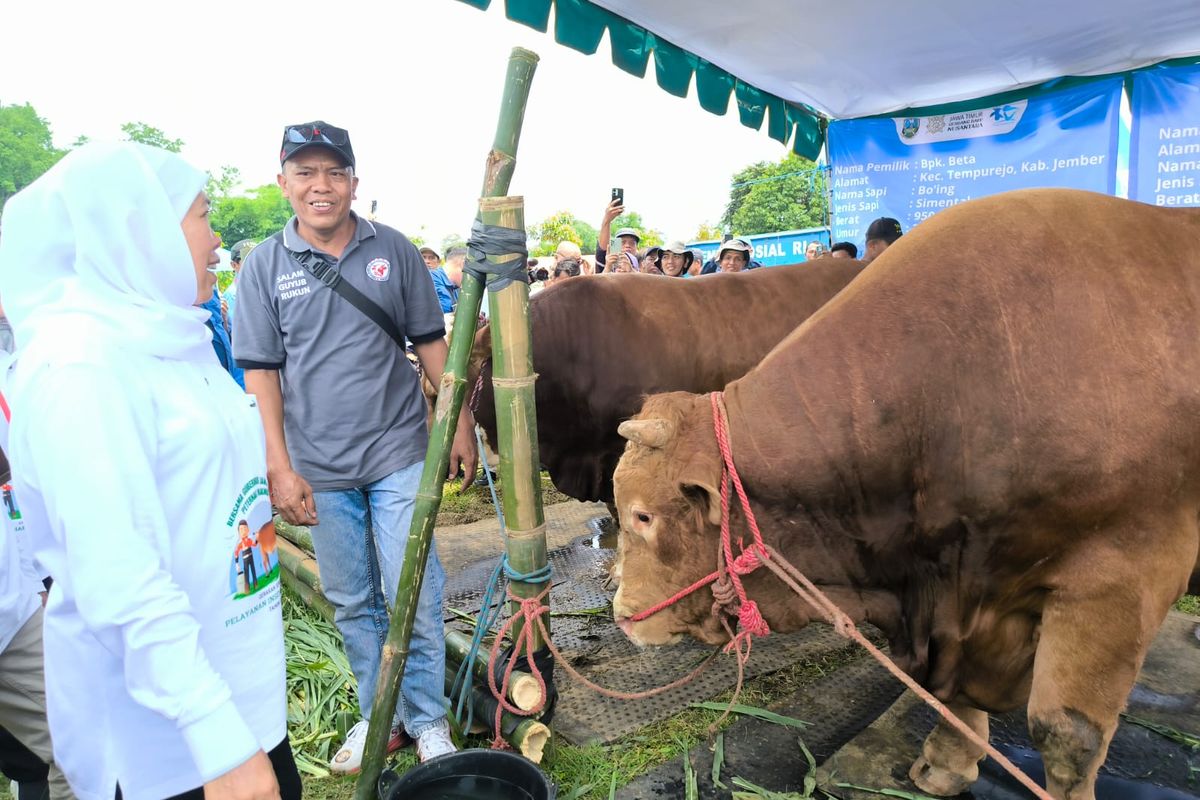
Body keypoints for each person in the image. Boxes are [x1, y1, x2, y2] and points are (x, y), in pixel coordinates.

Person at [0, 141, 298, 799]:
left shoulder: (174, 337)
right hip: (173, 747)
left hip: (244, 694)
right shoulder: (81, 368)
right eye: (203, 215)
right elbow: (117, 574)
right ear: (140, 228)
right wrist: (218, 738)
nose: (217, 241)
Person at [233, 121, 474, 772]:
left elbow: (430, 344)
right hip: (318, 466)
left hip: (399, 449)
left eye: (334, 172)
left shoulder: (393, 250)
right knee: (351, 599)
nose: (321, 185)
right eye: (306, 172)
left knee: (411, 586)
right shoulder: (262, 268)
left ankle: (428, 719)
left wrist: (459, 424)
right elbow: (261, 375)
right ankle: (381, 713)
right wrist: (278, 466)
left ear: (354, 182)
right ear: (284, 182)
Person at [595, 198, 639, 273]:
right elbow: (603, 247)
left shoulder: (642, 266)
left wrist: (631, 271)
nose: (627, 246)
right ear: (614, 246)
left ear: (637, 249)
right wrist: (607, 220)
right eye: (622, 242)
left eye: (632, 243)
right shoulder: (607, 262)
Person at [222, 239, 256, 329]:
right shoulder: (231, 296)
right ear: (234, 265)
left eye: (256, 259)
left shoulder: (263, 290)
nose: (254, 264)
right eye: (247, 260)